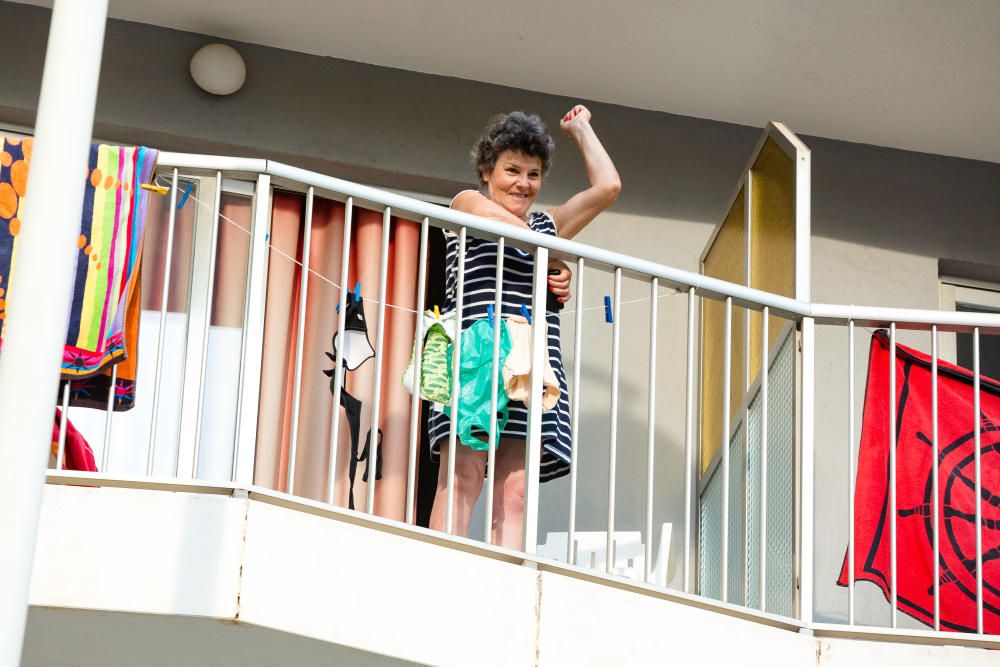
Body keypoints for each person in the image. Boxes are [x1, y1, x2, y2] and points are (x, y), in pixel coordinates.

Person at [427, 105, 620, 548]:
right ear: (487, 171)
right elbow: (499, 226)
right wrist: (549, 254)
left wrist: (581, 129)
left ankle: (504, 582)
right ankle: (440, 569)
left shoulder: (545, 227)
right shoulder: (466, 204)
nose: (522, 183)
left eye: (533, 174)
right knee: (462, 475)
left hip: (531, 366)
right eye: (512, 170)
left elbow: (608, 187)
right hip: (476, 359)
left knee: (514, 490)